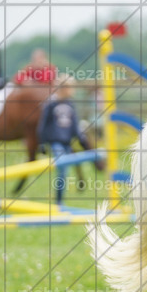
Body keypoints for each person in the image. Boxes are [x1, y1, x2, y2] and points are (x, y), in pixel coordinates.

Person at [37, 75, 92, 204]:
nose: (73, 91)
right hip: (55, 142)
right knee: (63, 169)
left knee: (65, 170)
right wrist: (42, 144)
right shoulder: (50, 104)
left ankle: (60, 200)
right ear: (64, 88)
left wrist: (81, 138)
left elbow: (74, 125)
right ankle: (59, 202)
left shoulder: (70, 104)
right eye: (71, 88)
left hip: (67, 142)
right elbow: (43, 125)